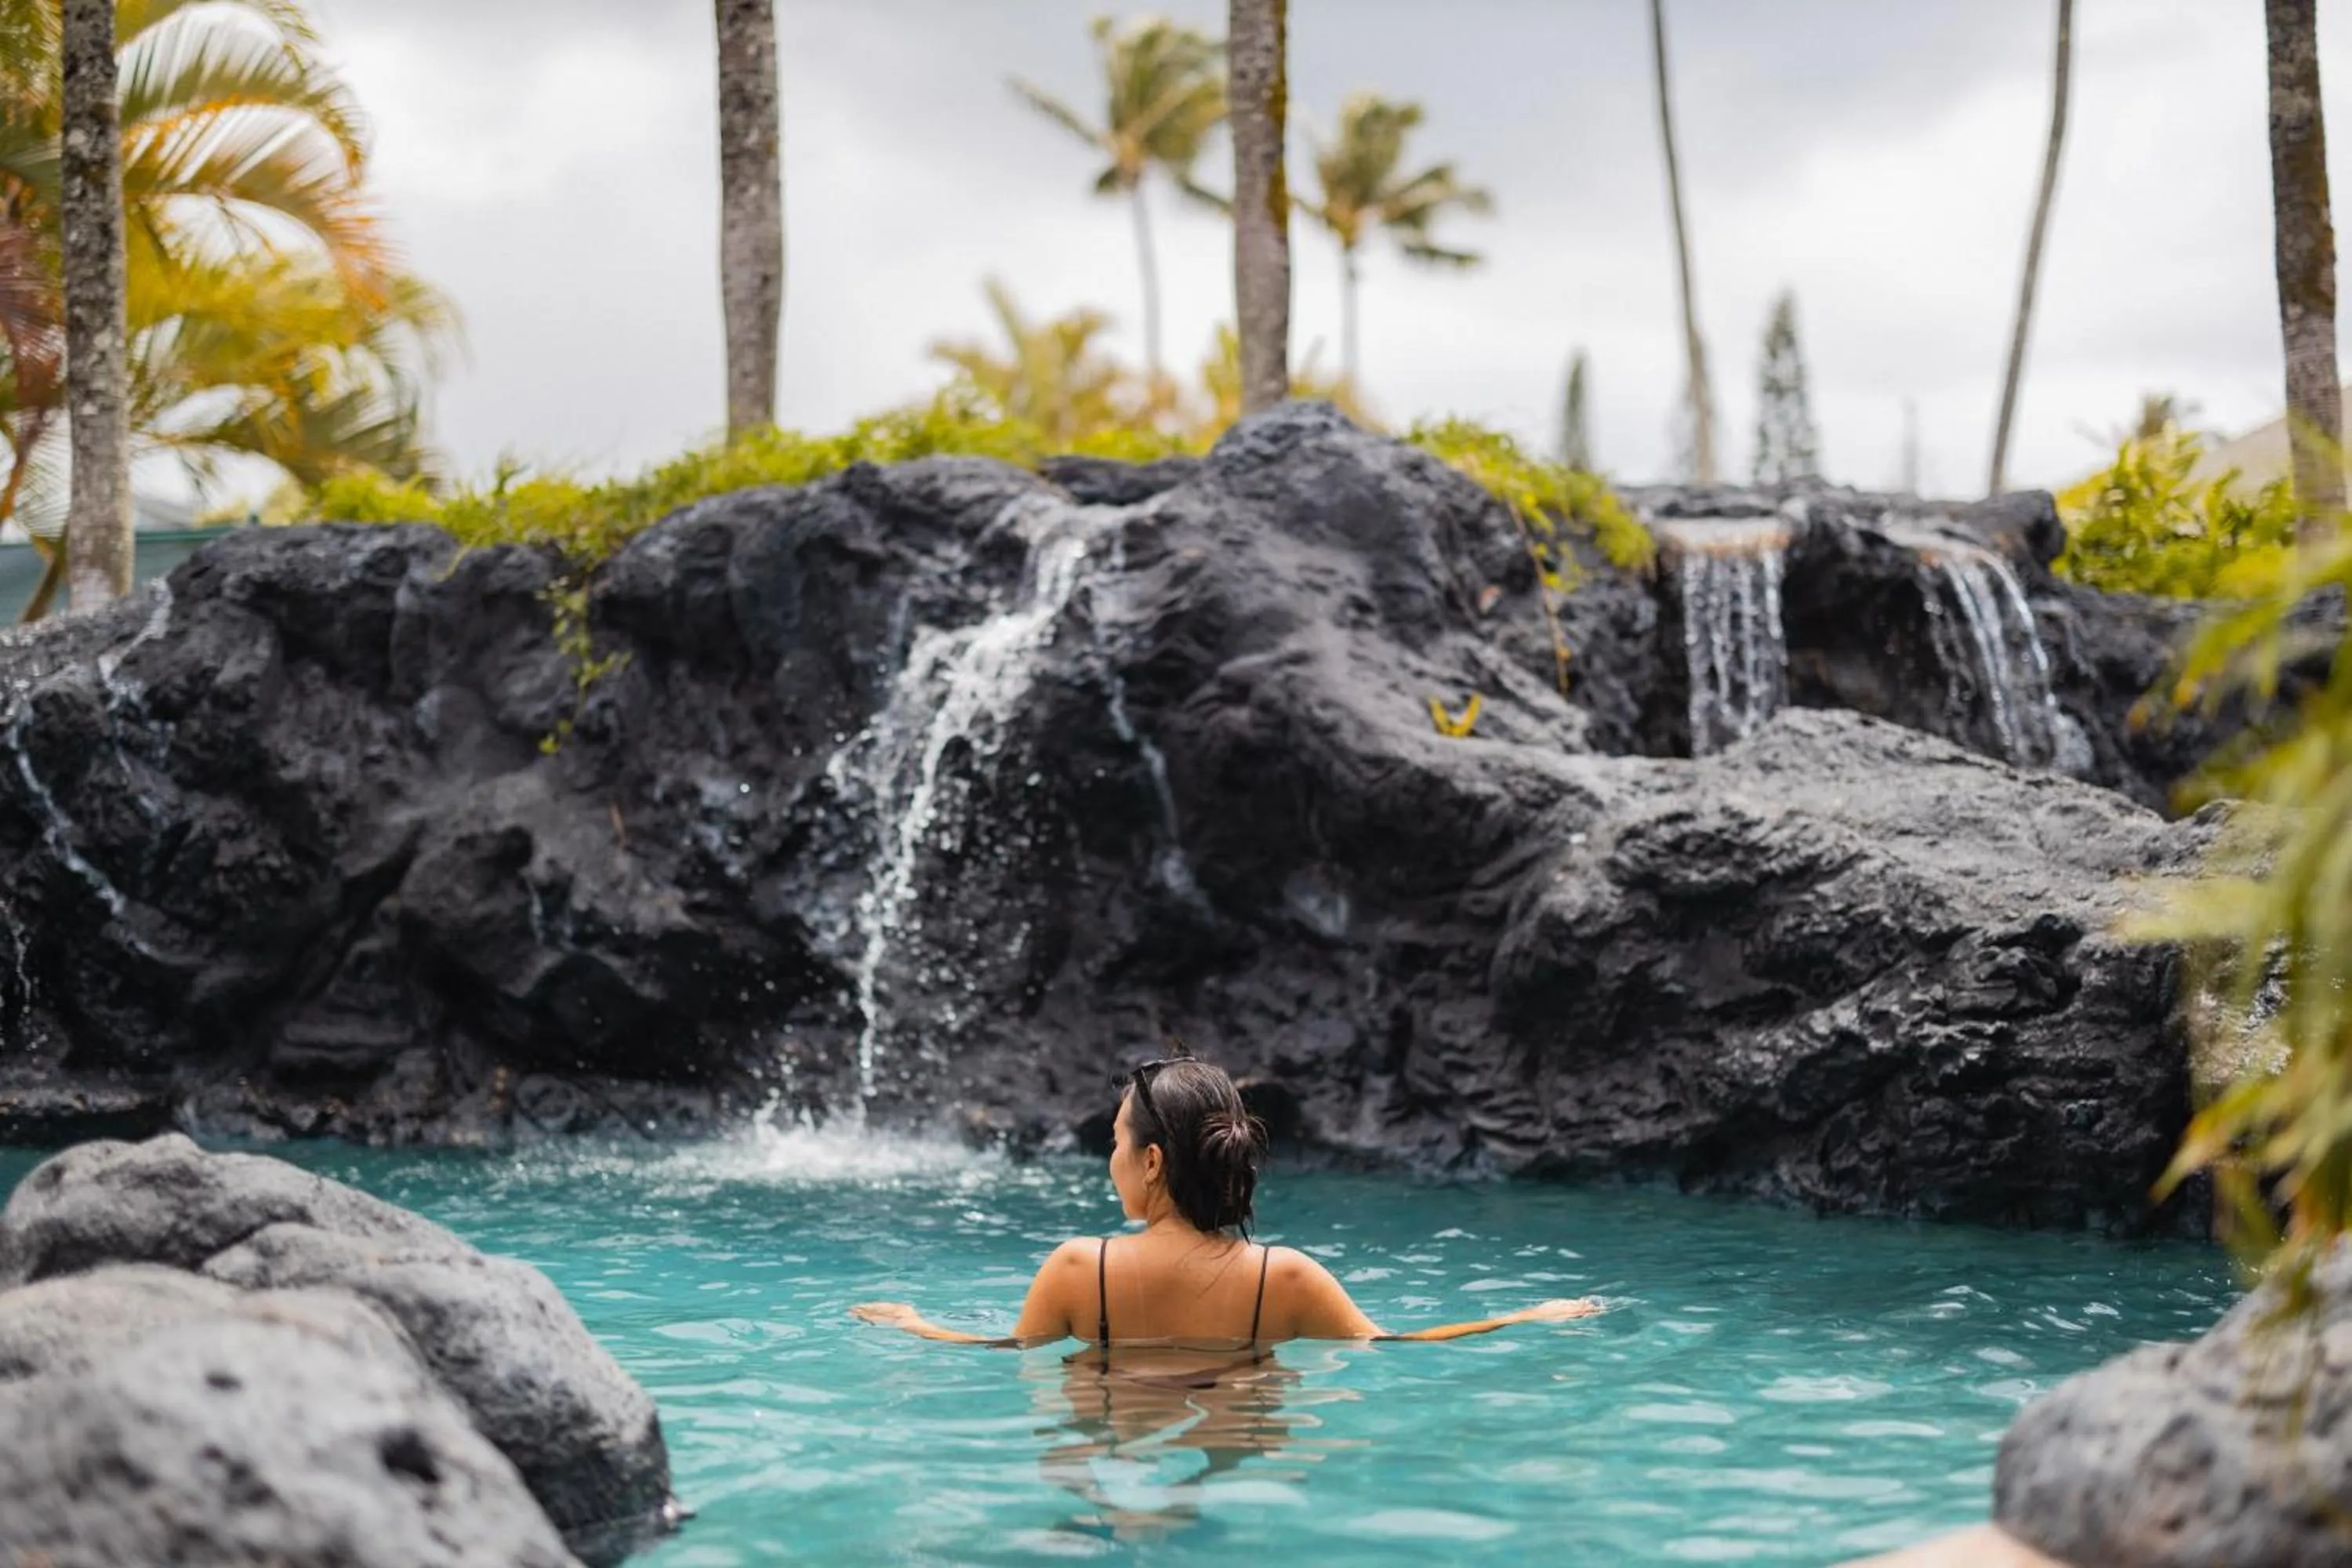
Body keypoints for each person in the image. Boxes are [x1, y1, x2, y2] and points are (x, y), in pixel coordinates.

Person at [851, 1049, 1602, 1349]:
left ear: (1151, 1161)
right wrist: (1525, 1316)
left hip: (1109, 1458)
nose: (1108, 1158)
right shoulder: (1289, 1279)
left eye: (1116, 1142)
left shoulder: (1080, 1270)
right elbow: (1397, 1347)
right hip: (1243, 1457)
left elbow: (1001, 1353)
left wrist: (914, 1324)